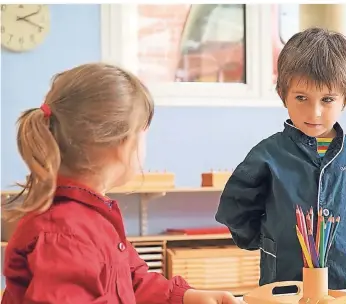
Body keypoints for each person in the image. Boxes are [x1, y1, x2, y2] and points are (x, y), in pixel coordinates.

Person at [2, 63, 241, 304]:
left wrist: (186, 297)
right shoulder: (66, 235)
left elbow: (130, 281)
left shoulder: (91, 220)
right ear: (123, 145)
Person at [215, 28, 346, 290]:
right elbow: (236, 207)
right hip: (284, 283)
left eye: (327, 99)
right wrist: (264, 239)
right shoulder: (267, 154)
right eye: (301, 98)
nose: (315, 112)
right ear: (282, 93)